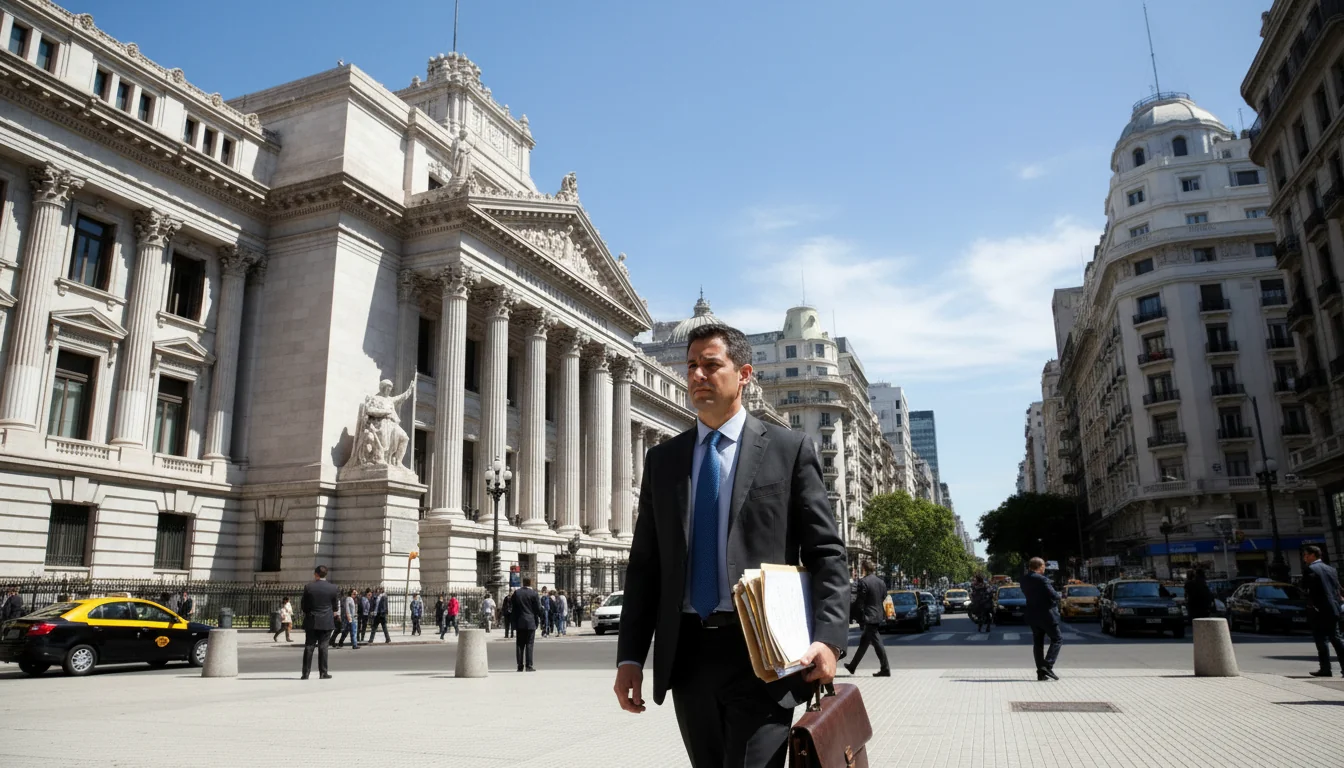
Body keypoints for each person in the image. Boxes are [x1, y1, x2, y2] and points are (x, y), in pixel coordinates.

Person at [615, 323, 848, 768]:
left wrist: (829, 640)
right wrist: (630, 656)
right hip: (688, 657)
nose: (698, 375)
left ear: (744, 373)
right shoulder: (663, 460)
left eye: (710, 365)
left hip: (762, 654)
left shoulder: (788, 448)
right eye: (691, 366)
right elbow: (645, 566)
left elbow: (827, 554)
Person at [1302, 545, 1344, 677]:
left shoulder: (1310, 569)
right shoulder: (1331, 569)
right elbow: (1337, 588)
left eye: (1306, 555)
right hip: (1333, 608)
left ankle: (1325, 669)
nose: (1304, 558)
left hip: (1318, 609)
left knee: (1321, 640)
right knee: (1336, 639)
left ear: (1313, 555)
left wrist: (1311, 604)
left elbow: (1308, 589)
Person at [844, 560, 891, 677]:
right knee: (864, 643)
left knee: (877, 642)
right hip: (878, 615)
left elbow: (860, 601)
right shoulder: (881, 582)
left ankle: (885, 669)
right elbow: (884, 596)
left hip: (869, 616)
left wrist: (855, 616)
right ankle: (852, 666)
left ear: (864, 569)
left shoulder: (863, 582)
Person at [1022, 557, 1062, 682]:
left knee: (1038, 644)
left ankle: (1041, 673)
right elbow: (1054, 595)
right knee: (1057, 639)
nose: (1044, 568)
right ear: (1039, 566)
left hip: (1033, 615)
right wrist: (1059, 595)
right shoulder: (1042, 579)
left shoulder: (1024, 579)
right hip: (1047, 615)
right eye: (1044, 565)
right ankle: (1047, 665)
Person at [300, 565, 341, 680]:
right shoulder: (333, 588)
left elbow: (304, 606)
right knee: (324, 647)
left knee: (309, 646)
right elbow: (335, 607)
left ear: (316, 574)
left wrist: (310, 612)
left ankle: (305, 673)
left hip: (312, 620)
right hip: (326, 621)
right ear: (326, 574)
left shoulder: (309, 587)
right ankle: (323, 673)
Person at [512, 577, 545, 671]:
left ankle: (519, 665)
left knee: (519, 644)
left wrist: (514, 622)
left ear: (523, 582)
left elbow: (513, 608)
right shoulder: (534, 594)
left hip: (519, 621)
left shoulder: (517, 593)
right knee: (529, 644)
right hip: (531, 621)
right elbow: (538, 609)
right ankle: (529, 665)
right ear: (531, 582)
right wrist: (541, 617)